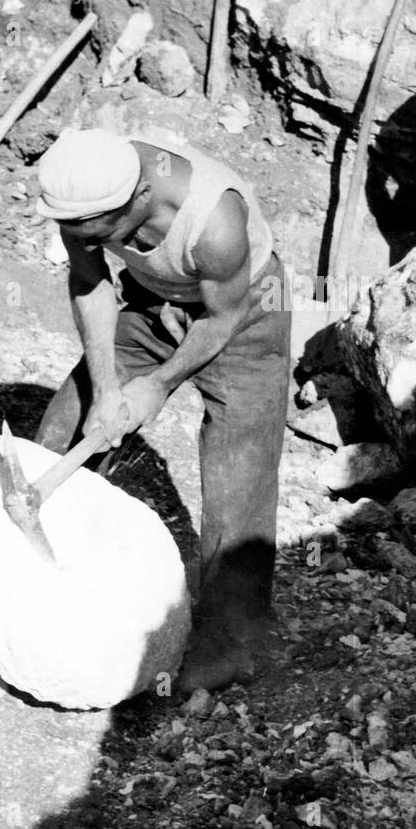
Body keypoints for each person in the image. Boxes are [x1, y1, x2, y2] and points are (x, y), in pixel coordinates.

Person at [33, 126, 291, 692]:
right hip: (156, 292)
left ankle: (232, 638)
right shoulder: (89, 195)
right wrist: (108, 388)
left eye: (99, 232)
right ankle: (42, 571)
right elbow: (90, 279)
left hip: (243, 305)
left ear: (142, 198)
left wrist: (159, 384)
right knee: (66, 426)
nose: (82, 238)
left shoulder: (215, 223)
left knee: (239, 467)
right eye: (73, 230)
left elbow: (221, 319)